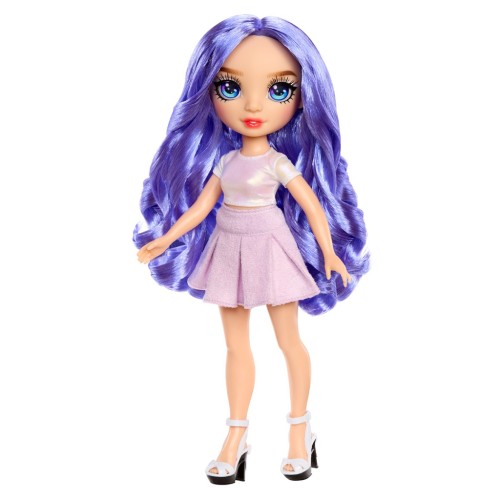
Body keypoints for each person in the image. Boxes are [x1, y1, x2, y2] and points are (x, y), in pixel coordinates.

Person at [134, 15, 369, 484]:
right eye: (230, 88)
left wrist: (329, 252)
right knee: (235, 346)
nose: (254, 105)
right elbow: (200, 209)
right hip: (228, 246)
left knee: (288, 340)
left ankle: (300, 431)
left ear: (304, 97)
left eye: (280, 89)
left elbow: (312, 206)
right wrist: (164, 238)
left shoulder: (279, 163)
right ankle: (235, 435)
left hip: (272, 245)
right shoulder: (225, 161)